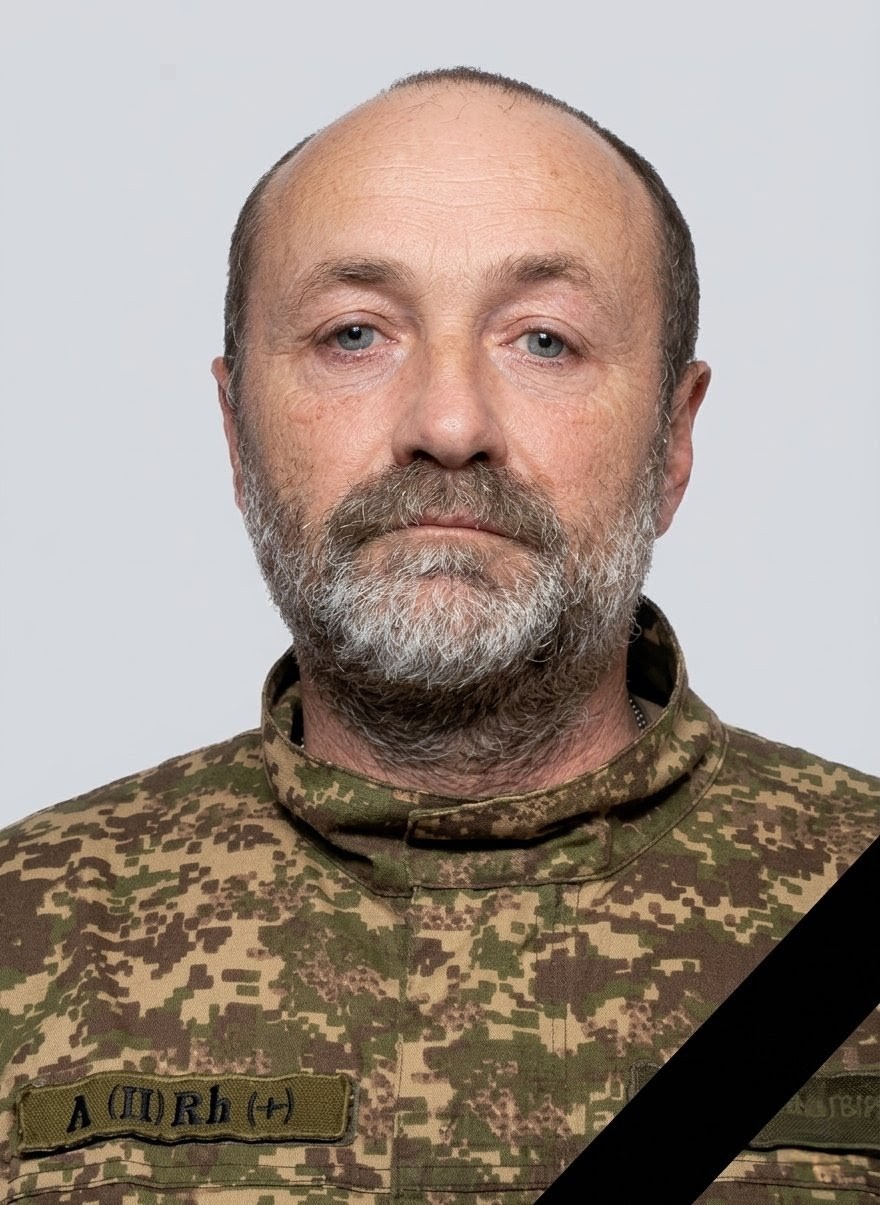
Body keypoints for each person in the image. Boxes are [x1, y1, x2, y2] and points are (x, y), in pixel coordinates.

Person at [1, 66, 877, 1204]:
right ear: (234, 429)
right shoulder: (27, 928)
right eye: (354, 333)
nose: (449, 424)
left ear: (673, 436)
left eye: (545, 341)